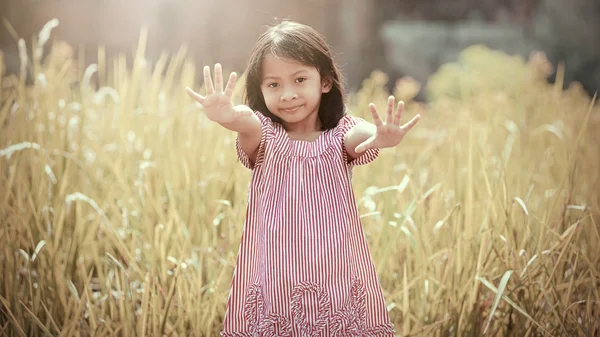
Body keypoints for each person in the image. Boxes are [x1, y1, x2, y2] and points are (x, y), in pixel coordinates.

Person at [186, 20, 420, 337]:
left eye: (299, 79)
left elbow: (359, 135)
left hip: (334, 276)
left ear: (324, 82)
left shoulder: (339, 134)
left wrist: (378, 136)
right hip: (275, 278)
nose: (288, 94)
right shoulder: (264, 134)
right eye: (273, 85)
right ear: (260, 90)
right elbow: (244, 120)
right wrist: (225, 114)